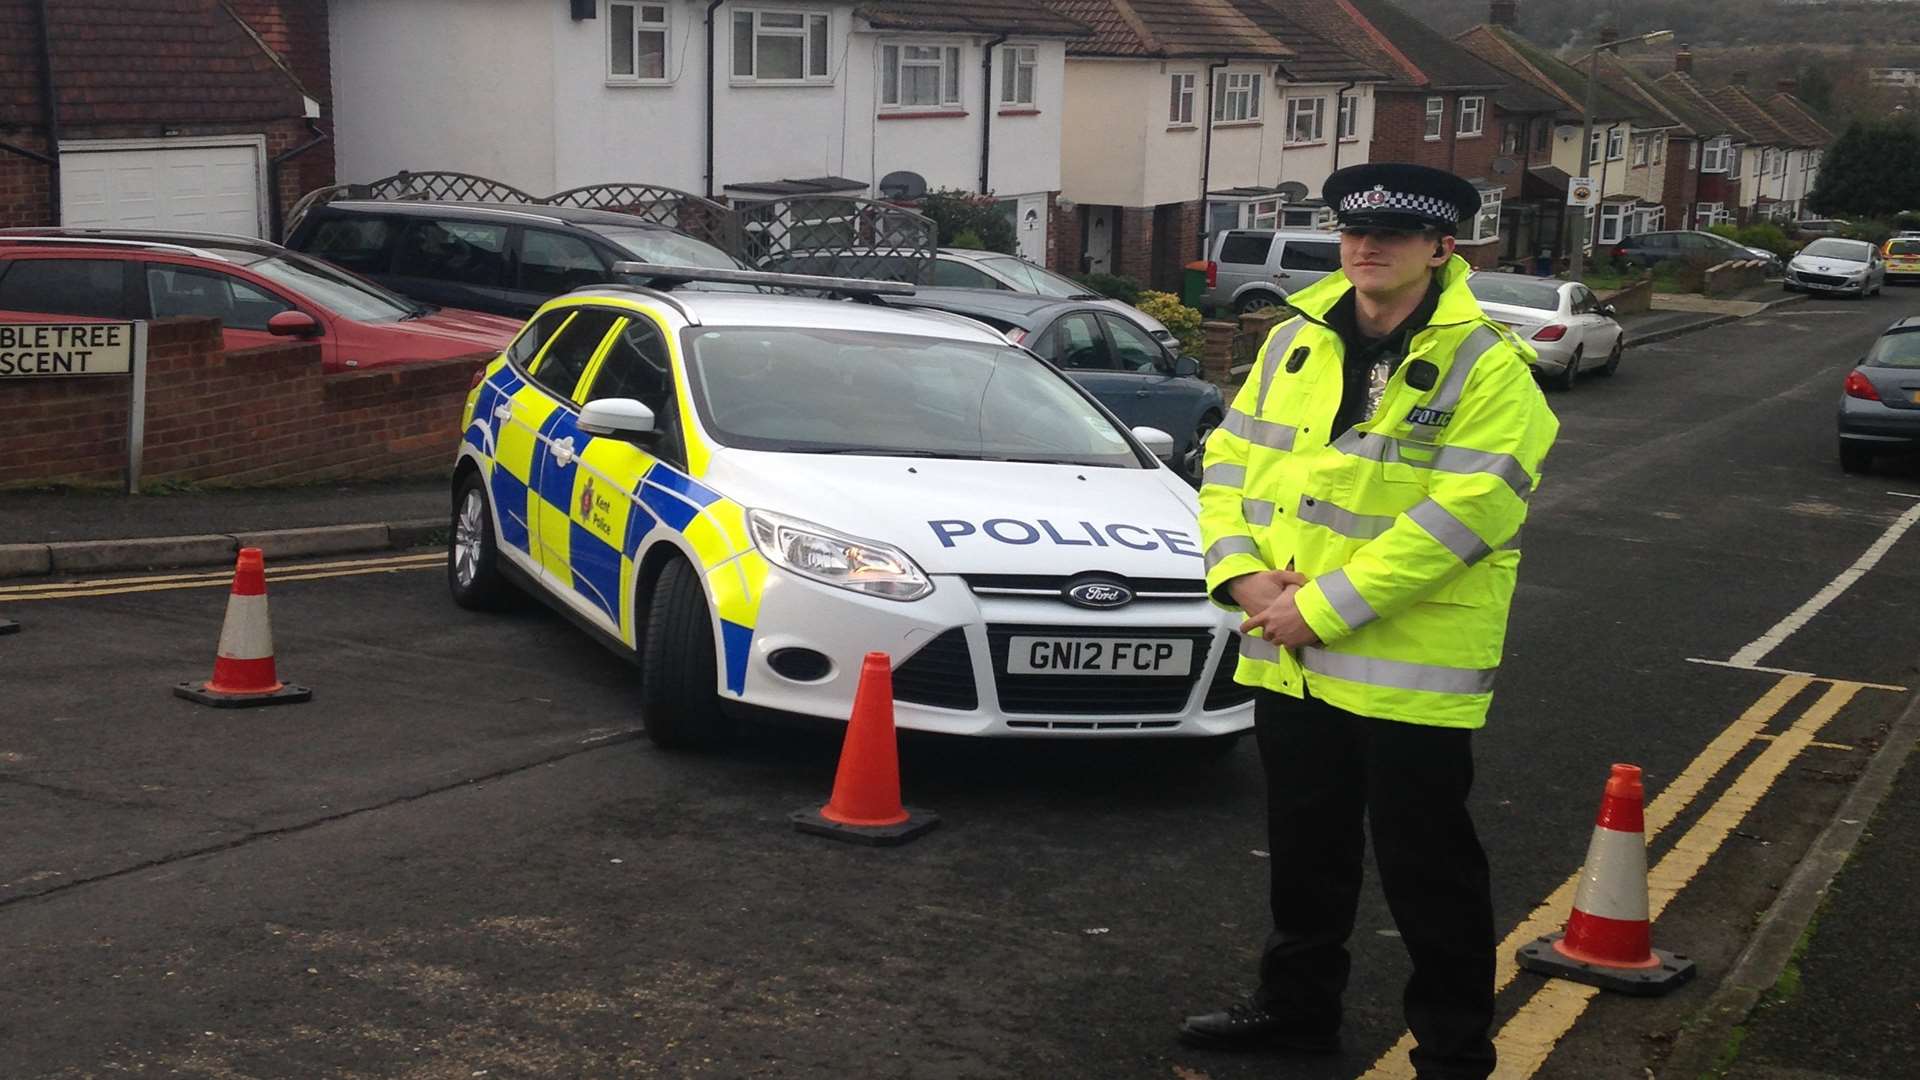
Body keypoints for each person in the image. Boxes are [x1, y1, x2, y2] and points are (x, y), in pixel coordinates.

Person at [1183, 162, 1560, 1080]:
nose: (1367, 247)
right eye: (1356, 231)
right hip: (1290, 654)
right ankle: (1297, 1010)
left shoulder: (1489, 366)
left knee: (1428, 870)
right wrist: (1240, 580)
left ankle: (1453, 1051)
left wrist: (1316, 608)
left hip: (1406, 669)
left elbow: (1465, 519)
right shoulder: (1292, 343)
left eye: (1393, 234)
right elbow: (1228, 465)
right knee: (1306, 854)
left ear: (1441, 248)